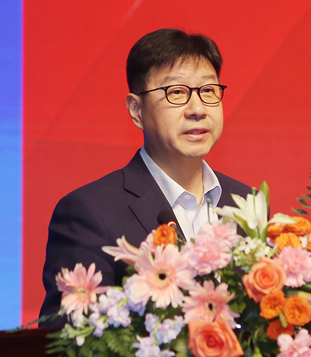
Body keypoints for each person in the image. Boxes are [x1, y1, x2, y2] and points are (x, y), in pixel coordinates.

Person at [39, 28, 251, 324]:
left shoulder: (246, 203)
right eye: (176, 92)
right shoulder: (89, 213)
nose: (198, 109)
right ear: (136, 110)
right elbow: (66, 338)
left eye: (208, 90)